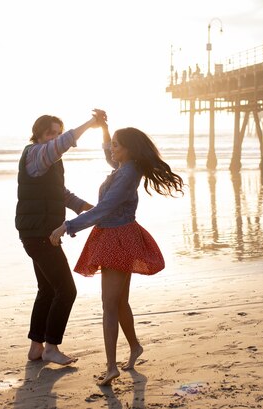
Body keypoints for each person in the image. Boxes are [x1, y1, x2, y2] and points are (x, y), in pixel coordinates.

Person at [50, 122, 184, 385]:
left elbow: (104, 208)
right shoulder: (125, 167)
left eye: (116, 146)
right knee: (119, 302)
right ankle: (134, 347)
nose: (112, 150)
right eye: (112, 145)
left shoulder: (126, 174)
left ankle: (111, 367)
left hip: (117, 239)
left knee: (109, 305)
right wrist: (104, 131)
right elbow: (110, 159)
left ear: (129, 150)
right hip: (118, 235)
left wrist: (68, 226)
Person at [16, 109, 106, 365]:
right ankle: (52, 347)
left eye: (57, 133)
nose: (54, 138)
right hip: (40, 234)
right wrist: (91, 123)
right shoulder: (35, 154)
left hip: (36, 232)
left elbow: (61, 193)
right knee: (66, 291)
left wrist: (88, 209)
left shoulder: (50, 162)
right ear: (38, 135)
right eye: (50, 133)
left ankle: (36, 346)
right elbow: (63, 144)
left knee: (47, 289)